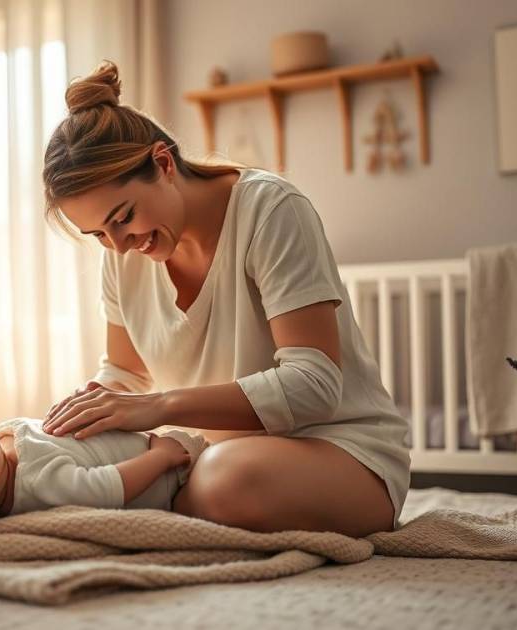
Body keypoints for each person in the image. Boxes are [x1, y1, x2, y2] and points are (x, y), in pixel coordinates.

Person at [39, 60, 410, 537]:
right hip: (211, 454)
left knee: (219, 479)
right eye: (98, 235)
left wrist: (161, 406)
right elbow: (126, 373)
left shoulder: (270, 210)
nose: (119, 244)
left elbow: (313, 385)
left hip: (339, 454)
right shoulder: (122, 253)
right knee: (75, 474)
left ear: (164, 164)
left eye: (123, 217)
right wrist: (89, 410)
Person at [0, 417, 208, 545]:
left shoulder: (6, 454)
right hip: (176, 474)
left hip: (152, 437)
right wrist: (160, 458)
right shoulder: (39, 483)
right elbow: (106, 487)